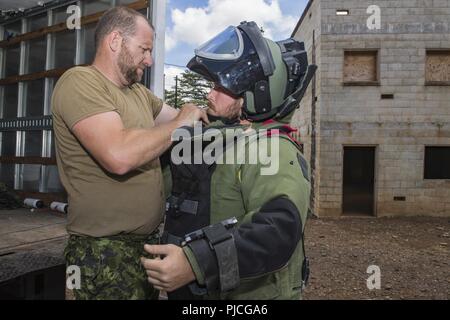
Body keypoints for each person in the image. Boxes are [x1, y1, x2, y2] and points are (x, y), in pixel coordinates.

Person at [141, 21, 317, 300]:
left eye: (221, 87)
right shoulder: (215, 139)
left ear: (254, 94)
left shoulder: (273, 149)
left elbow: (277, 229)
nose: (209, 94)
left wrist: (195, 263)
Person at [51, 7, 208, 300]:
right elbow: (119, 155)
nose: (149, 60)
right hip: (100, 253)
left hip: (144, 248)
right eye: (144, 49)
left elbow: (186, 123)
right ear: (115, 41)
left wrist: (217, 117)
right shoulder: (80, 82)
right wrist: (182, 122)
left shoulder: (138, 93)